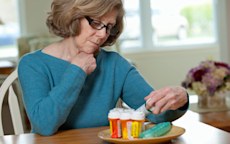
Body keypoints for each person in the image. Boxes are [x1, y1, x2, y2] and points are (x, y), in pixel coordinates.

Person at [18, 0, 189, 136]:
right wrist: (77, 70)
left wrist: (180, 100)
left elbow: (155, 113)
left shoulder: (114, 64)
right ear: (72, 15)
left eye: (108, 27)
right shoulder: (33, 64)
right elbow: (44, 125)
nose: (102, 34)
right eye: (96, 23)